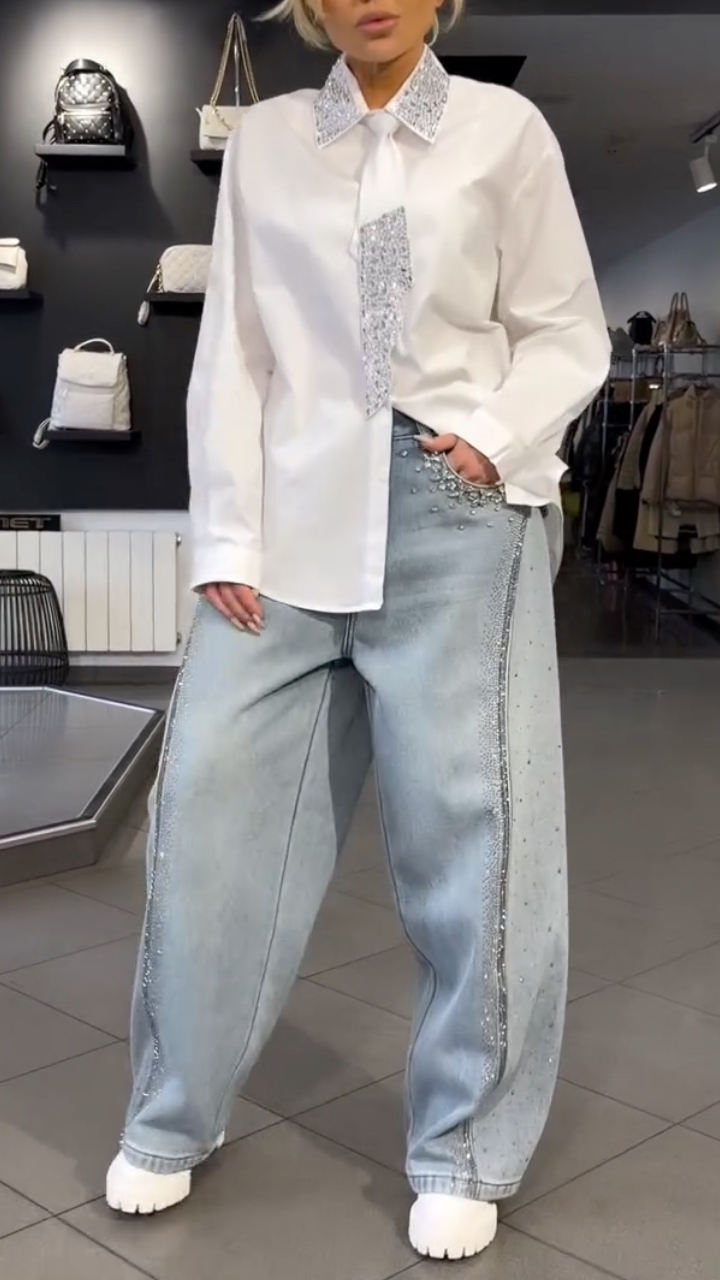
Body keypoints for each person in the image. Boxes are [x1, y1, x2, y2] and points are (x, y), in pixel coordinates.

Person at [106, 0, 610, 1260]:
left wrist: (492, 437)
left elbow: (565, 331)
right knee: (209, 807)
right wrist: (226, 535)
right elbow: (238, 352)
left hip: (455, 507)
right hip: (287, 517)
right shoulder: (270, 142)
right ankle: (172, 1110)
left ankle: (465, 1143)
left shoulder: (504, 131)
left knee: (476, 834)